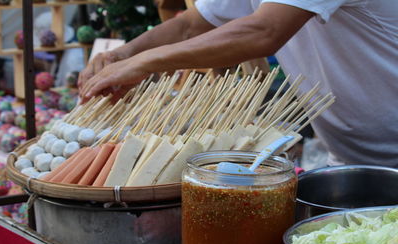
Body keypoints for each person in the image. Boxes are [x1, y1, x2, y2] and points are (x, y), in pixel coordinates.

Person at [78, 0, 398, 168]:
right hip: (349, 159)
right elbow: (191, 25)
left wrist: (144, 62)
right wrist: (126, 52)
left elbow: (265, 31)